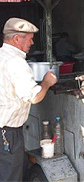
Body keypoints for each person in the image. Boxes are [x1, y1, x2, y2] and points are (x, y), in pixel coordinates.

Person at [0, 17, 57, 181]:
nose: (32, 43)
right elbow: (34, 97)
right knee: (10, 177)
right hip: (8, 134)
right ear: (17, 38)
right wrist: (47, 82)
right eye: (30, 38)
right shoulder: (16, 63)